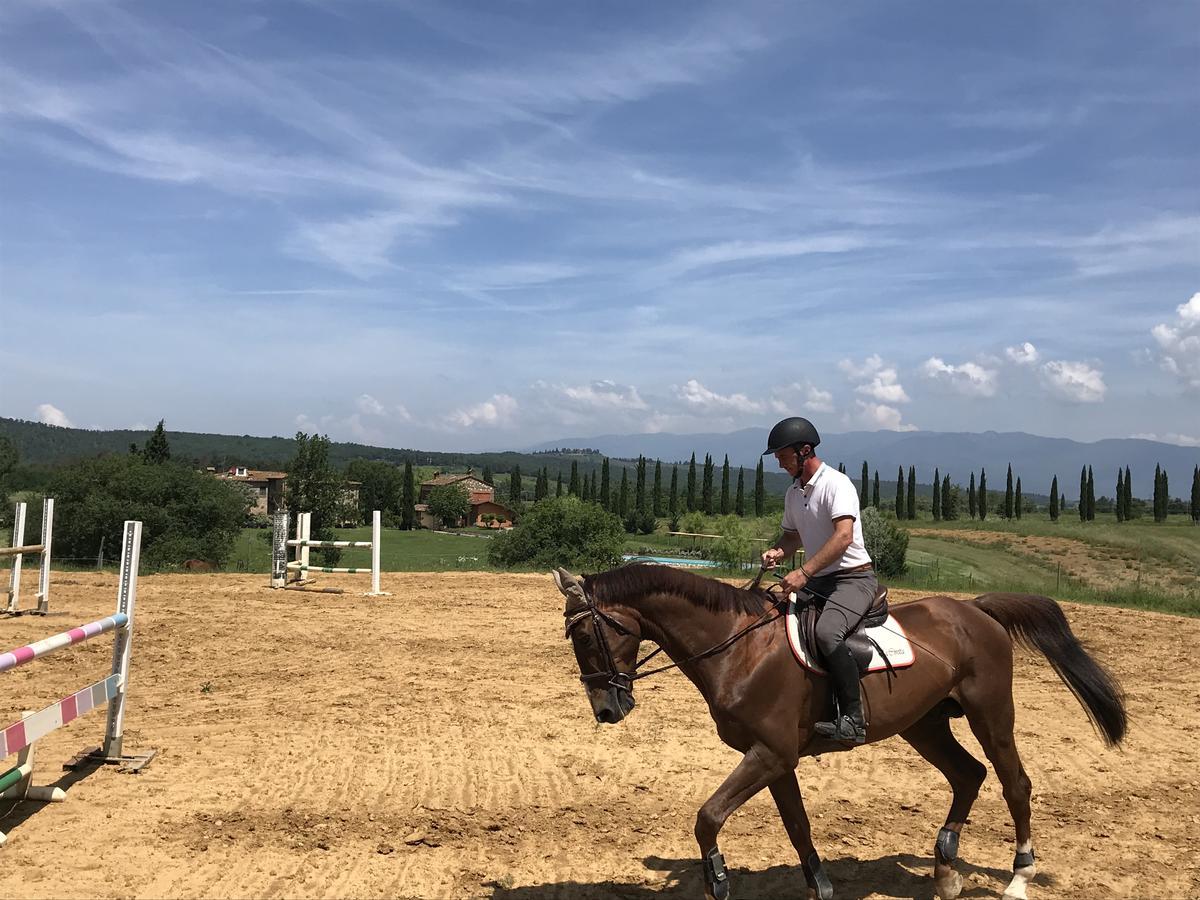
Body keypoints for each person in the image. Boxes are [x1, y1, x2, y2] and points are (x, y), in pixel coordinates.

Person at [760, 416, 876, 745]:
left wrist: (804, 572)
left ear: (804, 451)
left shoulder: (836, 485)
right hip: (819, 582)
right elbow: (792, 537)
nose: (781, 464)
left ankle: (853, 719)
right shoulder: (794, 494)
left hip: (853, 580)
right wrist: (777, 552)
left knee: (827, 633)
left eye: (783, 457)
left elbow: (843, 538)